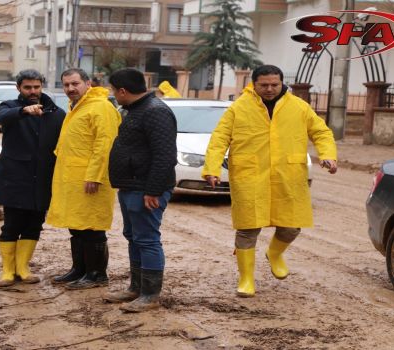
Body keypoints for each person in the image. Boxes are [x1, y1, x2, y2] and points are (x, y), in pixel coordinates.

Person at [201, 64, 337, 297]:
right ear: (254, 84)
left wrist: (328, 155)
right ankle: (246, 279)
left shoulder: (299, 107)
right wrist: (212, 168)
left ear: (282, 82)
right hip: (250, 175)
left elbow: (321, 132)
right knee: (247, 228)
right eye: (264, 85)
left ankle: (274, 253)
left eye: (275, 84)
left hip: (288, 174)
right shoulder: (239, 108)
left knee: (292, 225)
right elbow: (219, 138)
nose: (270, 89)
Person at [104, 68, 178, 312]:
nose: (114, 95)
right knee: (133, 236)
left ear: (123, 91)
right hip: (131, 186)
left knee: (147, 239)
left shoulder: (156, 112)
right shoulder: (136, 110)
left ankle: (150, 294)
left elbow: (165, 156)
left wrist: (153, 190)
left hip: (146, 189)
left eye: (114, 91)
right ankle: (136, 288)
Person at [0, 69, 66, 287]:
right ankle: (7, 271)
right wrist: (24, 111)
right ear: (18, 88)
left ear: (42, 87)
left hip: (43, 178)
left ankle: (23, 268)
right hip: (15, 178)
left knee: (34, 224)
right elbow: (2, 118)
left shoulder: (57, 113)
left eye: (36, 87)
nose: (32, 91)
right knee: (11, 225)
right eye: (27, 87)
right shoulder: (9, 107)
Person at [47, 68, 121, 290]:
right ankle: (79, 269)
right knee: (76, 225)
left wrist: (95, 176)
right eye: (67, 85)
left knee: (91, 227)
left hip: (91, 179)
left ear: (88, 84)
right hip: (72, 178)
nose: (70, 88)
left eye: (75, 83)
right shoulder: (77, 107)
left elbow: (105, 145)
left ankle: (97, 274)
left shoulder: (101, 108)